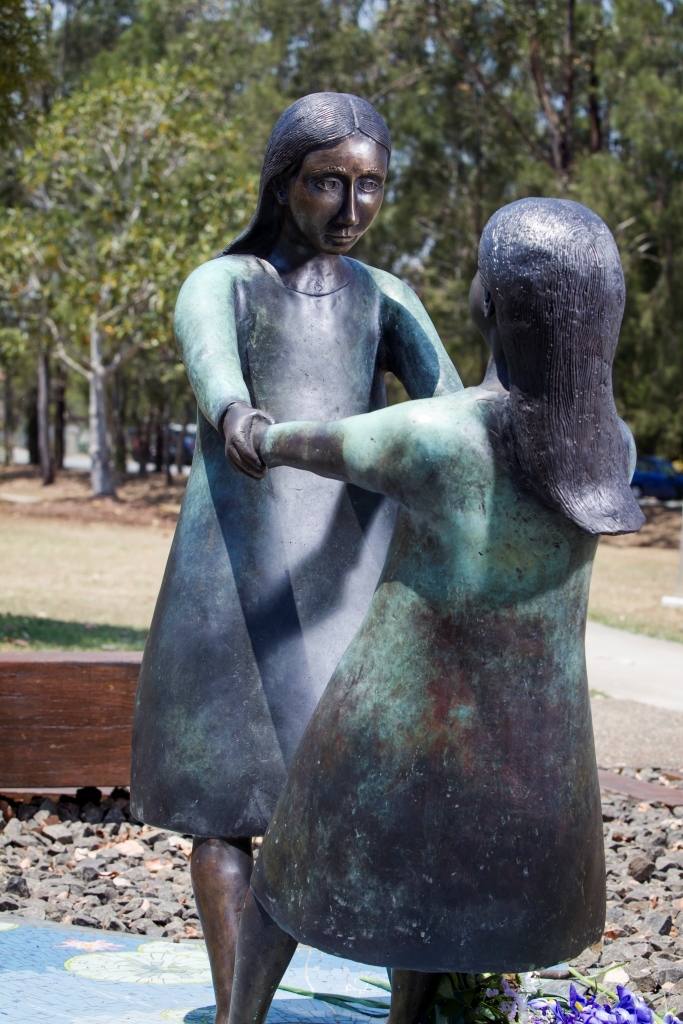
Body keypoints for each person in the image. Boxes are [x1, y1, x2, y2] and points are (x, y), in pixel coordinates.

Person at [225, 198, 645, 1024]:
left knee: (288, 882)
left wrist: (253, 429)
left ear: (490, 302)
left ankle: (240, 1021)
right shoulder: (609, 445)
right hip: (532, 744)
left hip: (391, 719)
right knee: (438, 904)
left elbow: (307, 442)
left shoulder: (434, 434)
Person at [129, 91, 462, 1022]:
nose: (350, 210)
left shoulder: (385, 297)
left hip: (353, 574)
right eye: (328, 184)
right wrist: (239, 413)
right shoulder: (225, 283)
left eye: (370, 187)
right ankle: (239, 1011)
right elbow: (214, 367)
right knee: (227, 803)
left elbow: (453, 413)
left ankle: (412, 1012)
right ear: (283, 184)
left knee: (396, 805)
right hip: (235, 572)